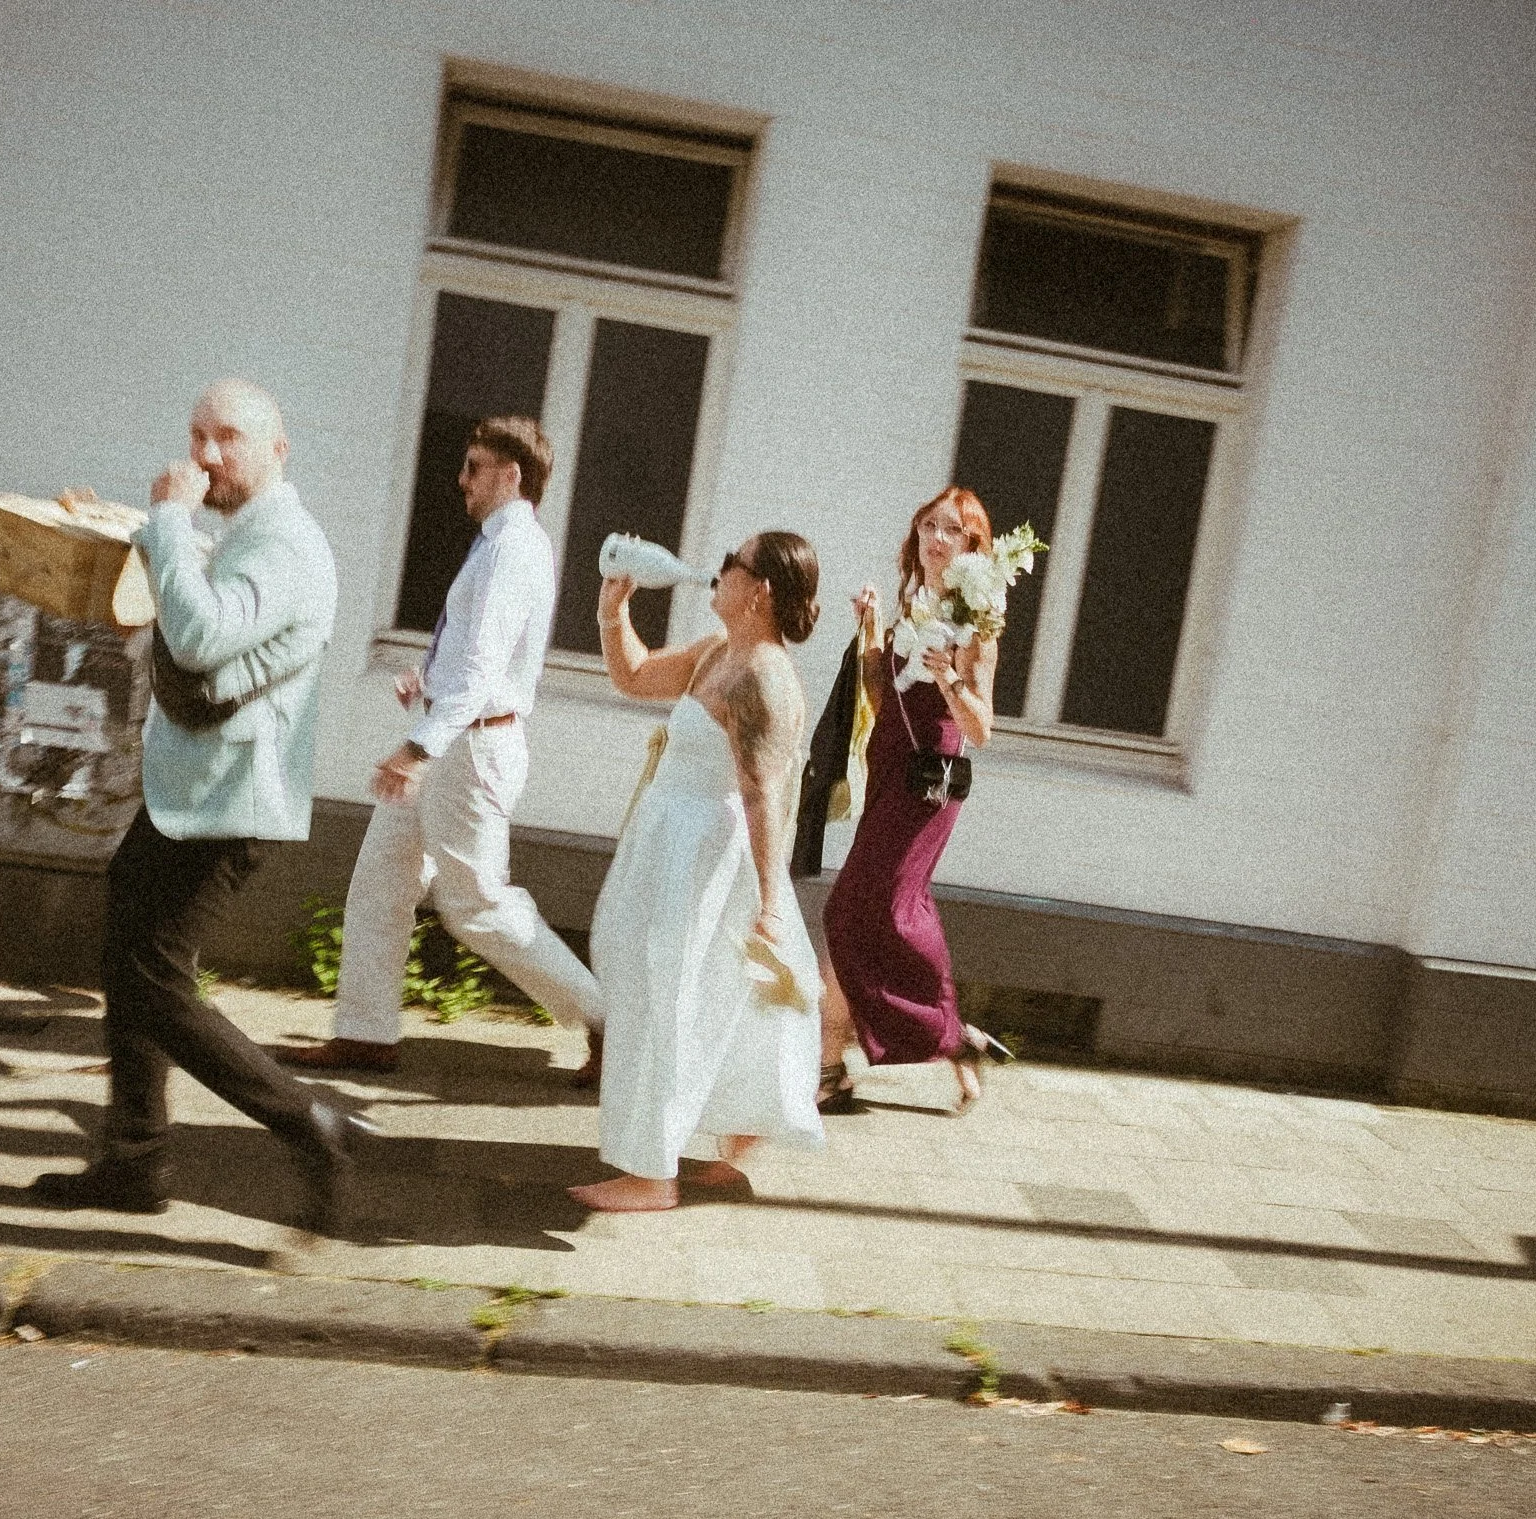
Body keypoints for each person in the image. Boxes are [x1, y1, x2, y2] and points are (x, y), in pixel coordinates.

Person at [29, 379, 374, 1227]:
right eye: (196, 436)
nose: (205, 455)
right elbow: (205, 647)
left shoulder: (284, 543)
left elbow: (203, 633)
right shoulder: (248, 534)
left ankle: (306, 1123)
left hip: (226, 802)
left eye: (228, 437)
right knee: (127, 956)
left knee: (154, 977)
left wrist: (170, 525)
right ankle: (135, 1160)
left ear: (278, 450)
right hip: (194, 790)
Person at [274, 417, 604, 1082]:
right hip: (455, 739)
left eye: (475, 466)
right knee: (380, 883)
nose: (461, 479)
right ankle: (366, 1033)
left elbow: (485, 666)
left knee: (476, 905)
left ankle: (610, 1019)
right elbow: (480, 656)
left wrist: (419, 746)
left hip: (470, 752)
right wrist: (430, 685)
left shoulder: (514, 548)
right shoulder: (499, 544)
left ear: (512, 476)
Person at [567, 531, 827, 1212]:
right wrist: (612, 609)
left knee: (668, 996)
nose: (717, 572)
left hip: (701, 853)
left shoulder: (762, 676)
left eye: (731, 566)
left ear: (761, 589)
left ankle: (651, 1173)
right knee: (665, 983)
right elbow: (635, 674)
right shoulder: (720, 653)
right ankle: (735, 1125)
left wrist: (771, 903)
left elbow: (763, 794)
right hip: (668, 837)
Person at [817, 487, 1014, 1117]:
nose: (936, 538)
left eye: (952, 530)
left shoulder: (976, 620)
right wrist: (870, 628)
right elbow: (878, 690)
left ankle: (925, 1038)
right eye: (929, 525)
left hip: (932, 772)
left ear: (973, 547)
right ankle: (917, 1047)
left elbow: (981, 728)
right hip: (889, 761)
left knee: (865, 906)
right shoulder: (912, 603)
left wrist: (951, 676)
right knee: (870, 909)